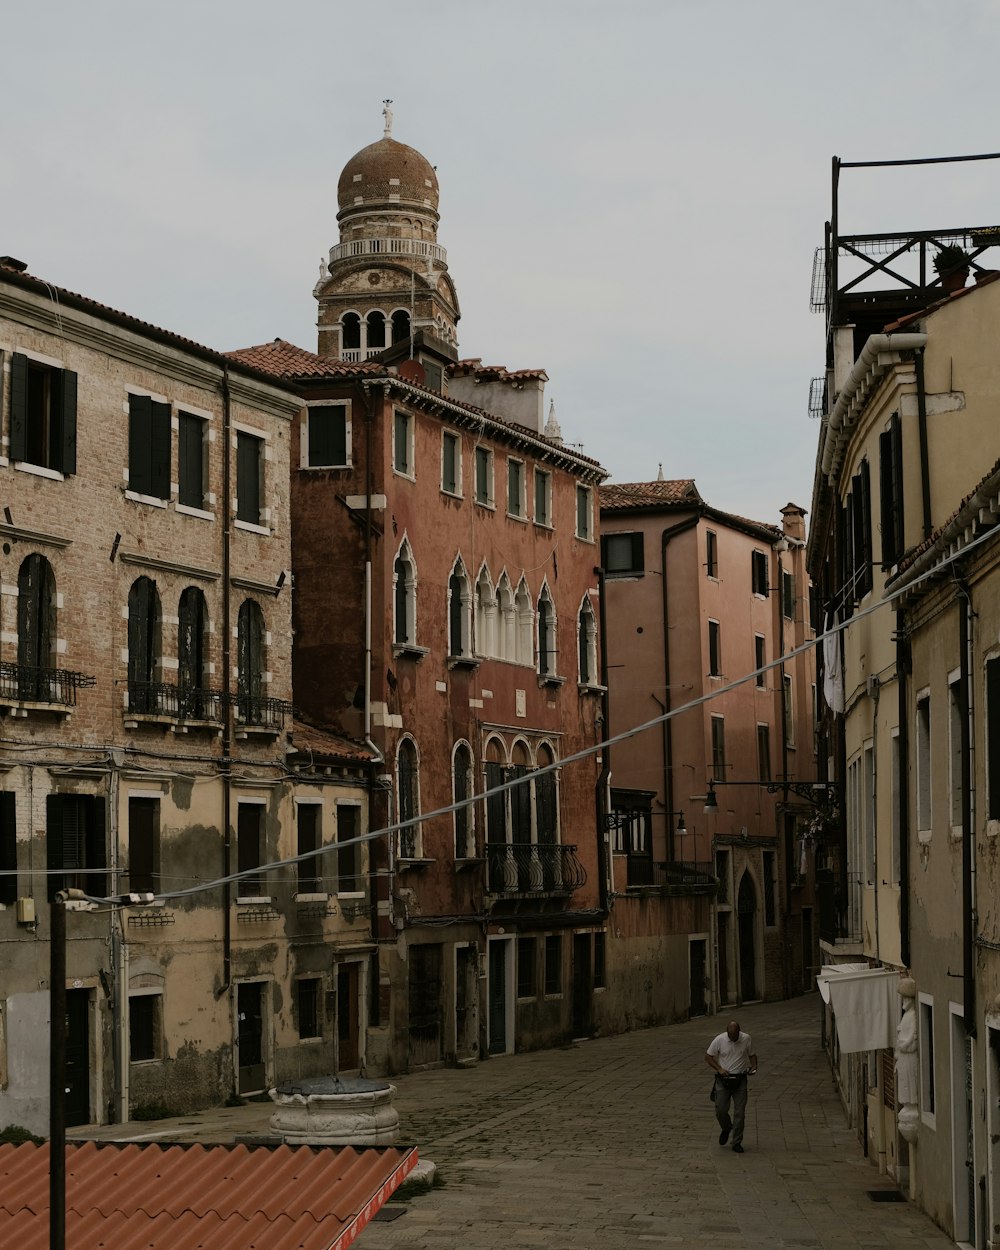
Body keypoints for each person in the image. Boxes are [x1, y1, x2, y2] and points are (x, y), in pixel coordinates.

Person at [705, 1019, 757, 1153]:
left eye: (735, 1037)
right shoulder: (719, 1039)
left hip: (740, 1079)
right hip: (724, 1079)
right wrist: (719, 1069)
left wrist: (754, 1067)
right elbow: (708, 1057)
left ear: (739, 1033)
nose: (732, 1039)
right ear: (727, 1033)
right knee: (720, 1109)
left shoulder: (746, 1039)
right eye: (730, 1036)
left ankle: (736, 1142)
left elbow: (752, 1055)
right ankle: (727, 1127)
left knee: (740, 1112)